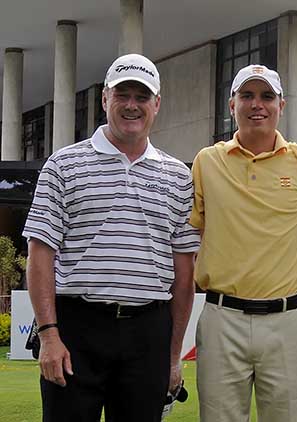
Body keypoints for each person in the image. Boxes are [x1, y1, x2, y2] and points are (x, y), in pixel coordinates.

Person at [23, 53, 200, 421]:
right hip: (76, 329)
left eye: (141, 97)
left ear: (157, 104)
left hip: (148, 333)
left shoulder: (178, 177)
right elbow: (40, 256)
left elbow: (184, 277)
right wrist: (49, 336)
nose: (132, 106)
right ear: (105, 99)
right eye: (122, 95)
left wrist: (172, 357)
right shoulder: (63, 165)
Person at [190, 64, 297, 422]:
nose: (258, 104)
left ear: (281, 106)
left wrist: (274, 251)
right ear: (232, 104)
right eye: (248, 96)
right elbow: (190, 236)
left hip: (287, 322)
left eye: (267, 96)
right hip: (223, 319)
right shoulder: (206, 162)